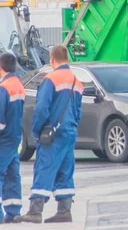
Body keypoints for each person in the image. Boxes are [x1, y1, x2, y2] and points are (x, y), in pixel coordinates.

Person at [15, 45, 83, 224]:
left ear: (52, 59)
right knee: (65, 169)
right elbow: (77, 111)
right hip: (69, 132)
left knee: (44, 168)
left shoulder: (51, 79)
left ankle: (35, 211)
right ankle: (64, 210)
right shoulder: (77, 81)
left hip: (52, 133)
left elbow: (41, 109)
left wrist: (36, 131)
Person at [0, 52, 24, 224]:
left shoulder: (3, 88)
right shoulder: (18, 84)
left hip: (4, 139)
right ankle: (14, 211)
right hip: (15, 137)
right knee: (12, 175)